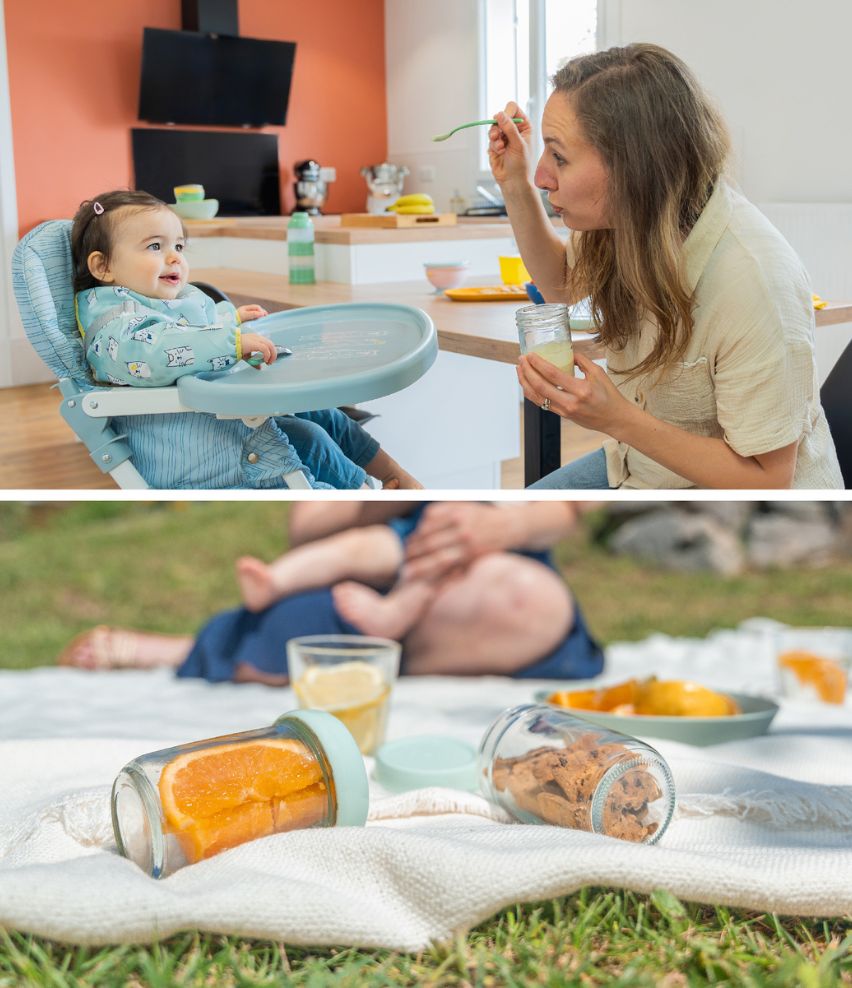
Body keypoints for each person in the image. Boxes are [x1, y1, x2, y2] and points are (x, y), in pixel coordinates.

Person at [489, 44, 843, 490]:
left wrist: (618, 419)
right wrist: (514, 185)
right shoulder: (624, 219)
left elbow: (767, 481)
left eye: (559, 157)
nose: (543, 175)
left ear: (633, 167)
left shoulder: (752, 280)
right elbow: (562, 284)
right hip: (642, 469)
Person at [70, 189, 420, 490]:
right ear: (103, 268)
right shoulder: (115, 327)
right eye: (155, 246)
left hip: (219, 418)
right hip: (189, 446)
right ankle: (364, 499)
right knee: (307, 438)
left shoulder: (164, 300)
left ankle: (395, 476)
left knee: (322, 412)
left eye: (178, 244)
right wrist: (230, 343)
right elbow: (159, 350)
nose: (175, 256)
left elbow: (193, 326)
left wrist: (231, 321)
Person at [58, 501, 604, 682]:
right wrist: (390, 495)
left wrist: (507, 526)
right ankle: (239, 619)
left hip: (482, 581)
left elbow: (575, 507)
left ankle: (384, 641)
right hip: (382, 557)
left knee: (525, 599)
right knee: (291, 630)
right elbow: (308, 528)